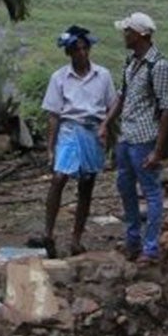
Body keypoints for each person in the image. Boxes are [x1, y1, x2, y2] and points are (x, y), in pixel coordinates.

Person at [104, 11, 168, 264]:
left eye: (128, 31)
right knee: (125, 188)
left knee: (151, 192)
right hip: (127, 136)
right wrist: (107, 123)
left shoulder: (158, 66)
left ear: (141, 35)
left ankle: (151, 246)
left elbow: (166, 107)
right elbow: (122, 96)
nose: (125, 35)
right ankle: (133, 240)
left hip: (145, 137)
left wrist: (158, 150)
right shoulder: (131, 62)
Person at [38, 25, 116, 257]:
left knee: (87, 184)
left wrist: (106, 129)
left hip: (93, 130)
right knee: (59, 177)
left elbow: (112, 106)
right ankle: (48, 233)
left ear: (89, 49)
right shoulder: (59, 78)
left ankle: (76, 238)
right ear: (69, 53)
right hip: (69, 130)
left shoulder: (102, 75)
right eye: (76, 49)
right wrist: (50, 148)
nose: (81, 53)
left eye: (84, 48)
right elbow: (53, 115)